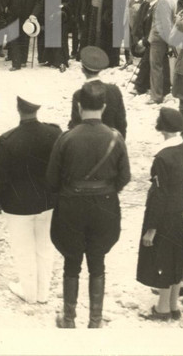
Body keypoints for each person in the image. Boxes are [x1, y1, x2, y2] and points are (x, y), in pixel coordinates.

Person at [47, 80, 132, 328]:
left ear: (79, 105)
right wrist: (105, 190)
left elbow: (51, 180)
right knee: (98, 262)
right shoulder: (115, 138)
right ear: (104, 107)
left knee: (71, 262)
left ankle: (69, 319)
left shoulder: (66, 138)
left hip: (72, 205)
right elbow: (124, 176)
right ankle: (95, 321)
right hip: (104, 205)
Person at [0, 97, 63, 304]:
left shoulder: (8, 139)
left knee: (23, 250)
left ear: (18, 108)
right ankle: (42, 293)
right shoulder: (54, 133)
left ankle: (29, 292)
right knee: (45, 248)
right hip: (47, 202)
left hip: (17, 206)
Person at [137, 108, 183, 320]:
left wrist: (151, 228)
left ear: (163, 127)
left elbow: (158, 195)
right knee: (176, 259)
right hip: (180, 211)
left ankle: (162, 309)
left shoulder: (162, 157)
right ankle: (173, 305)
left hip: (164, 215)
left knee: (162, 258)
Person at [68, 47, 128, 137]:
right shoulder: (115, 90)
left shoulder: (78, 95)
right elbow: (121, 123)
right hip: (111, 140)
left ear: (82, 70)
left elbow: (76, 125)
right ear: (101, 69)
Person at [2, 0, 42, 70]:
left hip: (27, 16)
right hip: (12, 16)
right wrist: (5, 8)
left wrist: (33, 14)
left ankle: (23, 60)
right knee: (14, 39)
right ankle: (16, 64)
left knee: (24, 38)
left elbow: (39, 1)